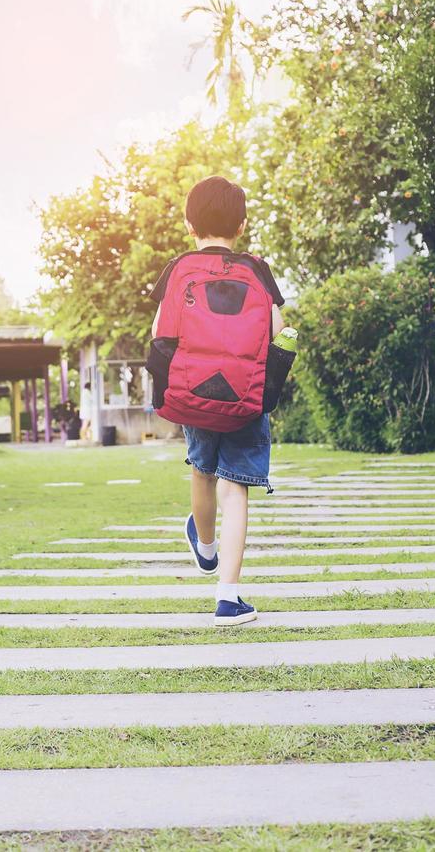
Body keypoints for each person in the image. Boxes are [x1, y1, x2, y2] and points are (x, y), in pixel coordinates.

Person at [150, 176, 285, 626]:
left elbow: (158, 333)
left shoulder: (178, 268)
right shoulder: (257, 269)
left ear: (190, 224)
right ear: (241, 225)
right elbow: (279, 328)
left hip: (195, 392)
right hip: (245, 396)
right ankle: (228, 598)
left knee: (202, 472)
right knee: (236, 489)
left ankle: (204, 547)